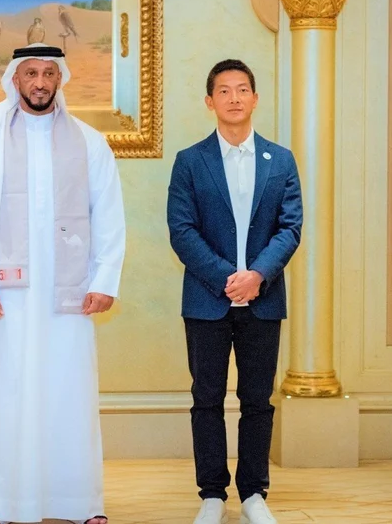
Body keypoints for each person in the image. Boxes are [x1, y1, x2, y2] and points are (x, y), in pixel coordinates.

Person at [0, 44, 125, 524]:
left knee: (71, 392)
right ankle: (0, 504)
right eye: (31, 73)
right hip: (6, 294)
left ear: (60, 79)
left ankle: (79, 503)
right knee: (7, 392)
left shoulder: (90, 142)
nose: (41, 82)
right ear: (15, 79)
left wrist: (105, 278)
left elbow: (109, 215)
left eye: (49, 73)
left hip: (72, 291)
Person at [167, 59, 302, 524]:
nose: (234, 98)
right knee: (206, 398)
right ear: (210, 102)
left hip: (263, 300)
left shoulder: (280, 160)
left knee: (257, 400)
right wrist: (229, 278)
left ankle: (253, 494)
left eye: (242, 89)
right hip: (207, 300)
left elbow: (290, 228)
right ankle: (211, 494)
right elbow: (182, 230)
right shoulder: (190, 161)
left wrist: (257, 276)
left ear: (255, 98)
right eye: (224, 91)